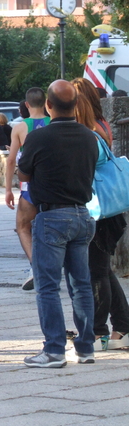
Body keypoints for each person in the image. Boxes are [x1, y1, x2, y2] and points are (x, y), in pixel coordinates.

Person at [18, 80, 98, 368]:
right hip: (83, 215)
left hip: (52, 217)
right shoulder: (90, 137)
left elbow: (24, 175)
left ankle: (53, 350)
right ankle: (86, 348)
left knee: (48, 286)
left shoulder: (38, 138)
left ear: (48, 105)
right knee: (81, 286)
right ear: (76, 105)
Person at [72, 78, 129, 351]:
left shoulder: (89, 133)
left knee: (96, 272)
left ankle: (97, 333)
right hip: (109, 211)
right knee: (104, 269)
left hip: (99, 211)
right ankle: (123, 326)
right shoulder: (101, 125)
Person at [4, 87, 51, 290]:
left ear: (26, 105)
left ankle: (36, 266)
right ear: (47, 103)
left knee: (23, 227)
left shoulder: (21, 128)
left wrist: (7, 189)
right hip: (55, 185)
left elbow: (12, 160)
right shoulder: (54, 123)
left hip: (30, 185)